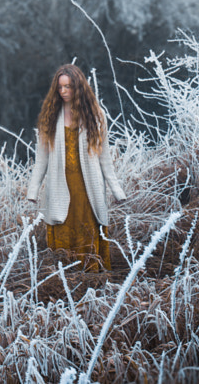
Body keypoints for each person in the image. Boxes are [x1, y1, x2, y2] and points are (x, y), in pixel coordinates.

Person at [27, 64, 126, 271]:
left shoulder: (95, 115)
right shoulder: (50, 117)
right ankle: (65, 279)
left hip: (88, 188)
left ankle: (92, 278)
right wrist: (33, 191)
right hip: (59, 187)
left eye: (68, 87)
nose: (63, 91)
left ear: (78, 87)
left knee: (87, 231)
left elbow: (104, 158)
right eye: (60, 87)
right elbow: (41, 160)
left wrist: (116, 190)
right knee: (62, 231)